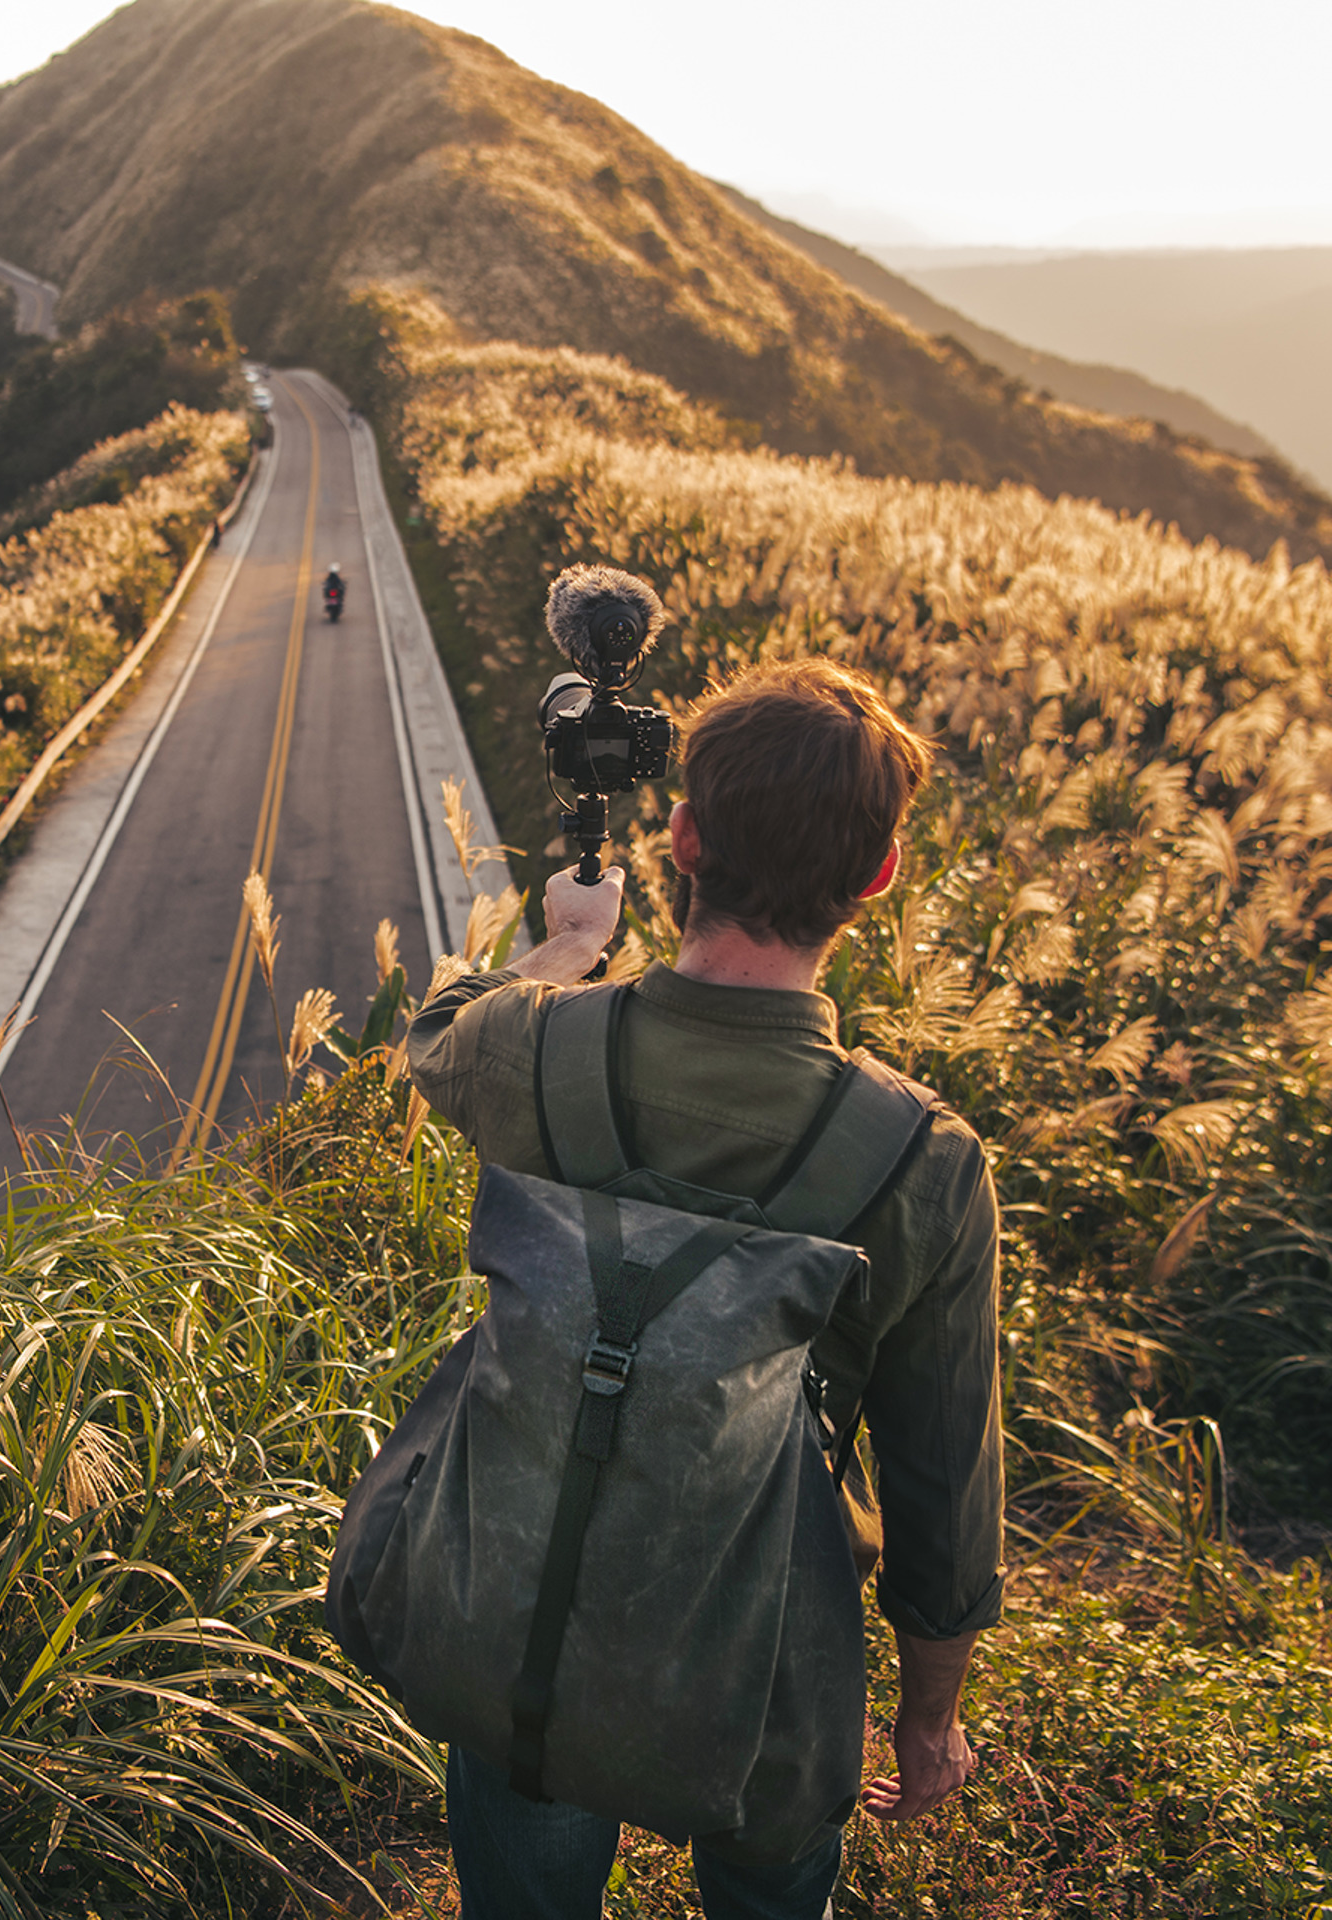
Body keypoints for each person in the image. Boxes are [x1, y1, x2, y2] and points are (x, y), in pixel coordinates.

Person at [408, 657, 1003, 1920]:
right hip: (770, 1671)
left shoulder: (533, 1048)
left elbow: (437, 1033)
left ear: (681, 838)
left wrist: (567, 949)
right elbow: (942, 1480)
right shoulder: (922, 1161)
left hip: (528, 1618)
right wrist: (927, 1719)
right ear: (878, 877)